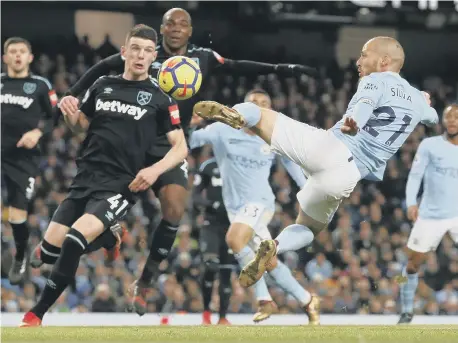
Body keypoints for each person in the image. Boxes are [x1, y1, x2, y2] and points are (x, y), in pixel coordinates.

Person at [57, 8, 317, 306]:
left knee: (174, 210)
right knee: (103, 212)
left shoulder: (202, 58)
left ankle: (146, 282)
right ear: (162, 29)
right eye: (170, 23)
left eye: (183, 24)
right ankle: (107, 236)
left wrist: (283, 68)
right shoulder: (146, 53)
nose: (177, 28)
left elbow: (237, 66)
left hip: (169, 143)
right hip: (132, 142)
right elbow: (103, 65)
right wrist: (74, 93)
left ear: (190, 31)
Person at [192, 36, 439, 290]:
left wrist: (355, 123)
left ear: (384, 61)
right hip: (346, 177)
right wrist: (423, 99)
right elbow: (432, 117)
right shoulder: (417, 100)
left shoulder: (374, 80)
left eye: (365, 54)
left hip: (330, 149)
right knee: (308, 228)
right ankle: (275, 246)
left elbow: (363, 107)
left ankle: (236, 116)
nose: (359, 60)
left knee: (259, 112)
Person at [19, 24, 188, 327]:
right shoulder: (102, 84)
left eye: (148, 51)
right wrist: (72, 115)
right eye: (135, 48)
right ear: (124, 52)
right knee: (47, 252)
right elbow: (81, 127)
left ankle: (36, 314)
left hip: (121, 183)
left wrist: (154, 169)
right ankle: (110, 238)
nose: (140, 55)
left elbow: (180, 148)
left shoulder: (161, 98)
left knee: (73, 240)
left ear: (154, 57)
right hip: (85, 177)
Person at [189, 89, 320, 324]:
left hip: (260, 203)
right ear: (241, 109)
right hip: (234, 207)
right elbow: (191, 141)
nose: (258, 109)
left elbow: (291, 165)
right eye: (253, 104)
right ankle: (307, 300)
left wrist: (308, 192)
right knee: (268, 261)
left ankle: (264, 299)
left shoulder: (273, 136)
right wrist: (191, 125)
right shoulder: (222, 130)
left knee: (234, 240)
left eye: (264, 104)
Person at [1, 37, 57, 284]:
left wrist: (37, 133)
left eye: (22, 51)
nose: (17, 55)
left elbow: (55, 117)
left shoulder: (40, 85)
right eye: (12, 52)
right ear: (5, 58)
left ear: (30, 57)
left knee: (18, 212)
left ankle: (21, 254)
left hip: (23, 159)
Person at [398, 104, 458, 324]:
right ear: (442, 121)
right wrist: (412, 202)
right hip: (430, 214)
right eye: (448, 117)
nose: (452, 121)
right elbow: (415, 176)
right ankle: (406, 311)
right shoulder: (429, 145)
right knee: (412, 264)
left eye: (456, 117)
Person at [193, 157, 233, 325]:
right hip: (211, 225)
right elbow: (195, 196)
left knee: (226, 273)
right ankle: (206, 313)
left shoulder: (238, 164)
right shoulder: (208, 166)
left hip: (232, 226)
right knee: (211, 266)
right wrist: (210, 205)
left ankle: (223, 317)